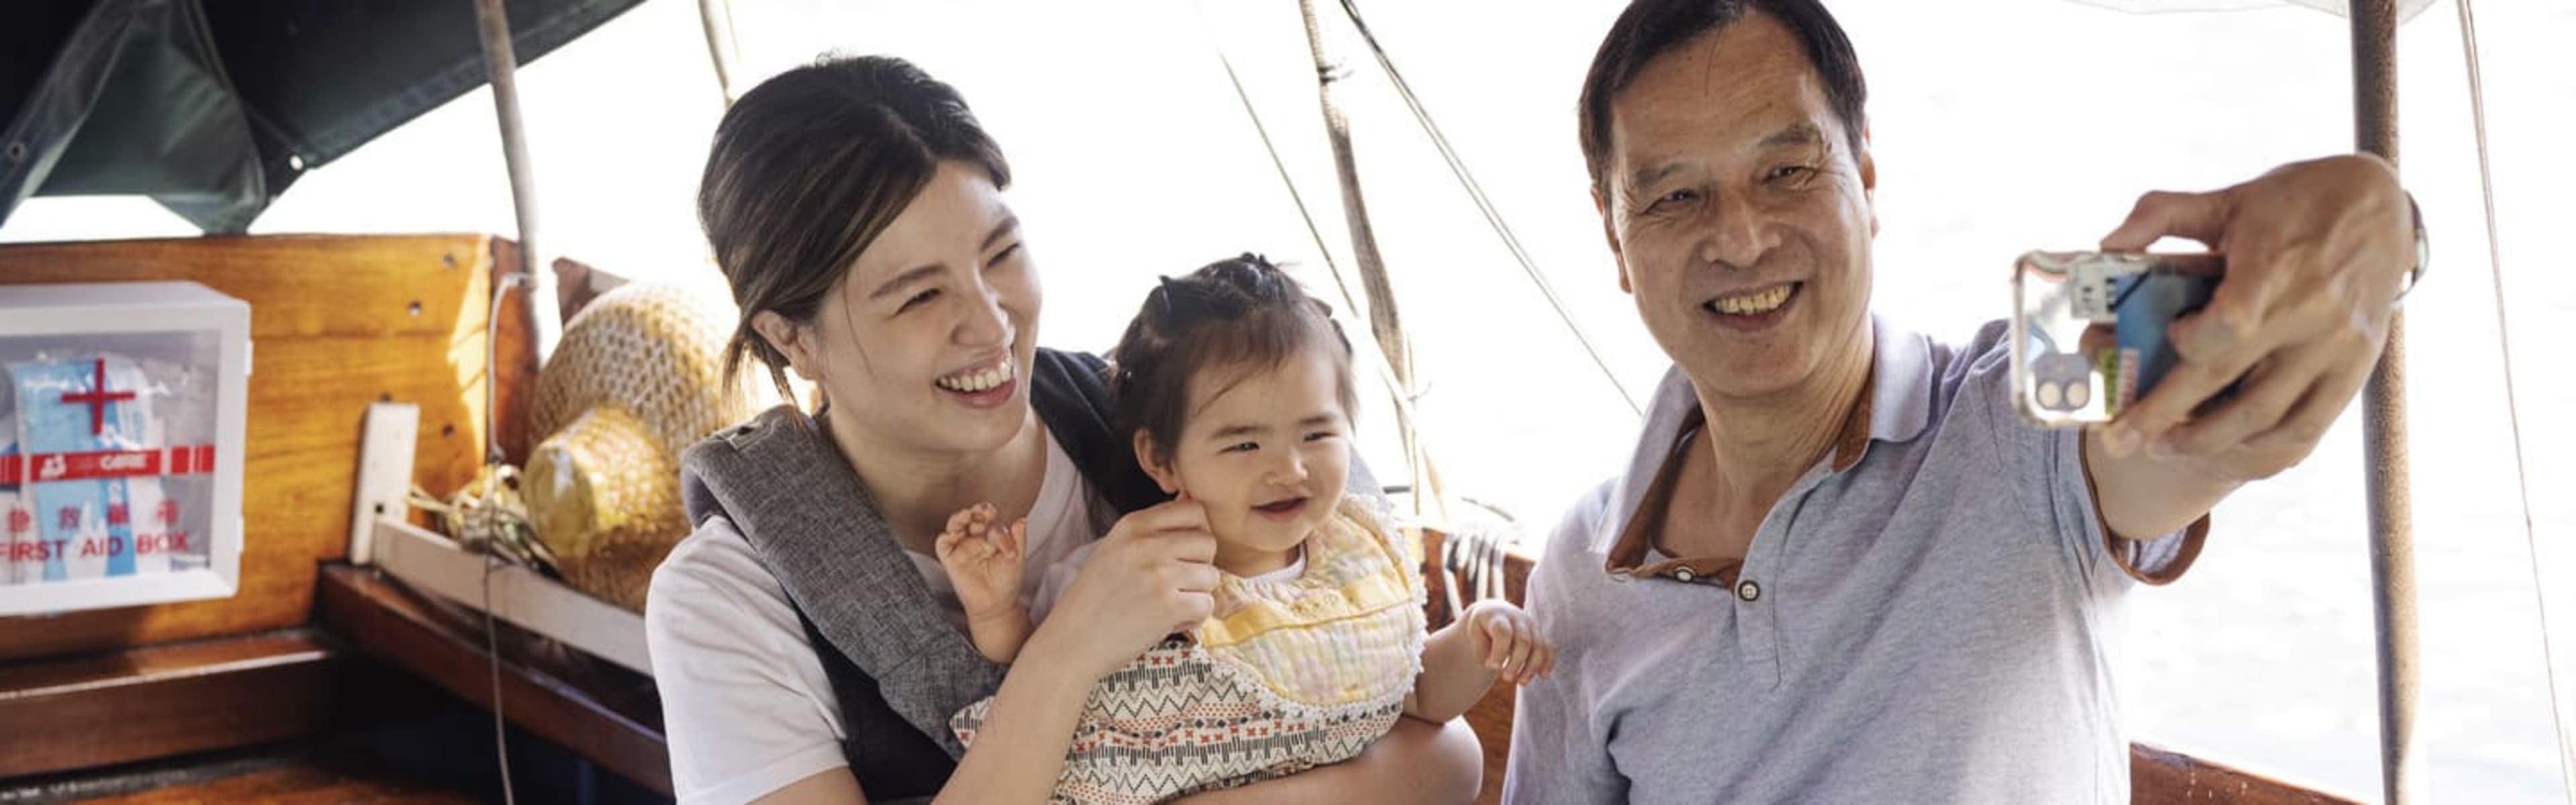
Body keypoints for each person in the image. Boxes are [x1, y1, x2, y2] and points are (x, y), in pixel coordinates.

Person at [1501, 1, 2424, 802]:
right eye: (1676, 196)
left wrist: (2383, 223)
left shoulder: (2023, 400)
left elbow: (2238, 387)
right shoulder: (1581, 570)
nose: (1741, 239)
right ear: (1616, 240)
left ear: (1865, 180)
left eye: (1786, 172)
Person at [645, 56, 1481, 805]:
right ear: (790, 336)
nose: (991, 323)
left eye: (1002, 254)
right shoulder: (723, 604)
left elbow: (1445, 752)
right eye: (920, 296)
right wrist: (1066, 650)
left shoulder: (1202, 413)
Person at [930, 255, 1552, 804]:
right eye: (1245, 443)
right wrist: (993, 609)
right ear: (1161, 460)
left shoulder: (1353, 562)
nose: (1290, 468)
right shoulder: (1135, 574)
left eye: (1317, 434)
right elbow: (1033, 675)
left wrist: (1478, 636)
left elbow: (1417, 695)